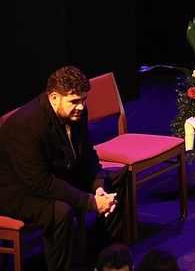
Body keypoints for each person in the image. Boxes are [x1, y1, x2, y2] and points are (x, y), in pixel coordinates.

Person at [0, 66, 123, 271]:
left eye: (83, 100)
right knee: (60, 211)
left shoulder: (75, 113)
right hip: (16, 190)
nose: (81, 106)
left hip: (53, 174)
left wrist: (98, 187)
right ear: (55, 97)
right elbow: (40, 184)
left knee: (115, 180)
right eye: (74, 101)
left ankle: (103, 259)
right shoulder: (26, 125)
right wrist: (91, 202)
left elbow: (86, 154)